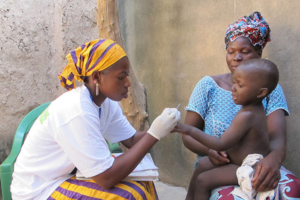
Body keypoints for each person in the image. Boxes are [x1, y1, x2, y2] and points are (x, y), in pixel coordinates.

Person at [11, 38, 181, 200]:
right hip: (39, 190)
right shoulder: (77, 110)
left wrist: (162, 127)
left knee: (144, 181)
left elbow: (131, 139)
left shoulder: (106, 104)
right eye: (121, 77)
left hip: (66, 176)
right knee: (129, 195)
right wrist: (154, 135)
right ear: (97, 77)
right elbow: (107, 178)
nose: (128, 83)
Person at [181, 11, 300, 199]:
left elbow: (277, 138)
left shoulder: (270, 89)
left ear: (259, 54)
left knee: (292, 188)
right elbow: (188, 136)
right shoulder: (207, 86)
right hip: (217, 164)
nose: (236, 57)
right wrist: (210, 151)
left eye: (244, 52)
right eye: (231, 51)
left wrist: (273, 161)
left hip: (258, 164)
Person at [175, 58, 279, 200]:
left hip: (247, 168)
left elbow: (220, 143)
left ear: (261, 93)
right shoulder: (254, 107)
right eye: (234, 82)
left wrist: (188, 130)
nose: (233, 87)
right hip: (235, 160)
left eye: (240, 85)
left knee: (203, 180)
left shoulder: (247, 115)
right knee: (203, 163)